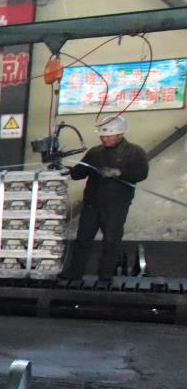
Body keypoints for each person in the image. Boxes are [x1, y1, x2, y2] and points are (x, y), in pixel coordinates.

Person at [63, 114, 149, 281]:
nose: (104, 139)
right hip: (92, 203)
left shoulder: (134, 152)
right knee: (83, 239)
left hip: (116, 205)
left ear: (120, 134)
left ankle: (105, 276)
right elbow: (79, 173)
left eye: (109, 136)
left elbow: (142, 173)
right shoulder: (95, 153)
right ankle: (75, 272)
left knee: (111, 240)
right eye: (102, 136)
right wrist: (64, 169)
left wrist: (119, 173)